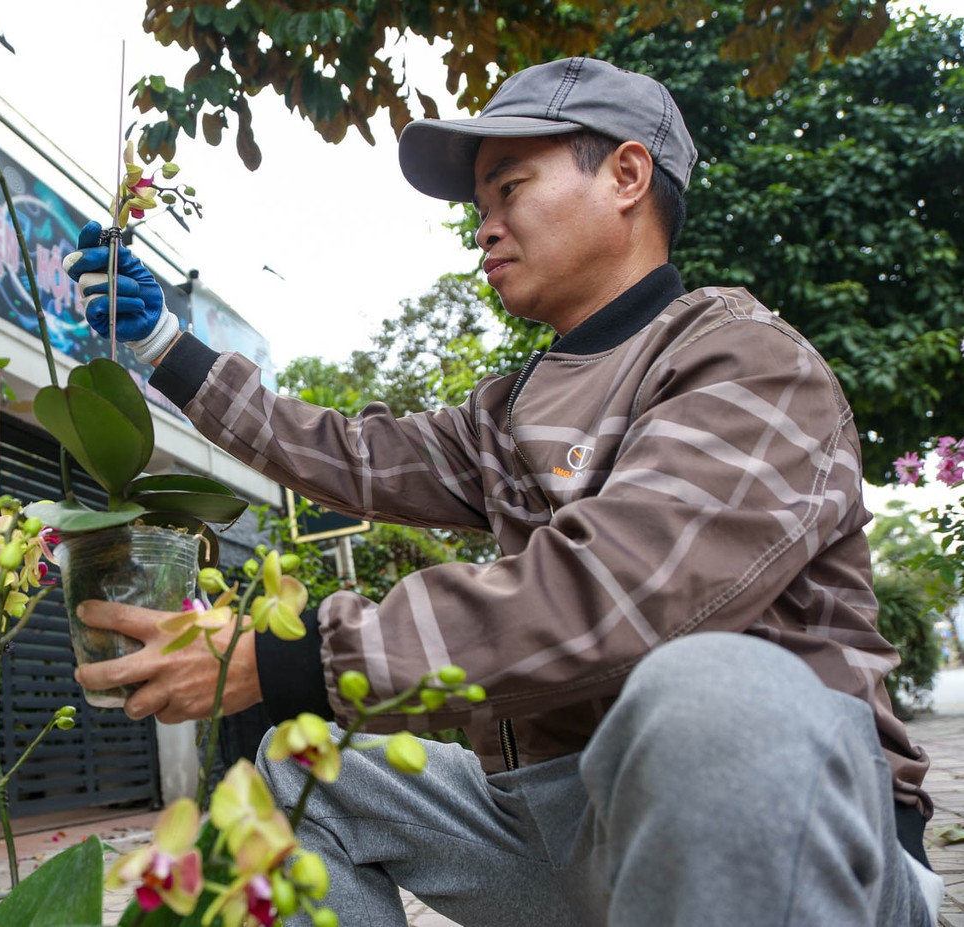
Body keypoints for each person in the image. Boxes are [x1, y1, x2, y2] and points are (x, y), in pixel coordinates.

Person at [62, 57, 943, 925]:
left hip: (798, 843)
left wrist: (282, 658)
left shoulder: (749, 361)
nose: (484, 228)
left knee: (709, 695)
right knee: (300, 772)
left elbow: (617, 593)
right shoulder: (510, 409)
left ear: (628, 175)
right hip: (568, 834)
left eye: (510, 189)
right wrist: (169, 351)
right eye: (478, 210)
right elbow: (353, 454)